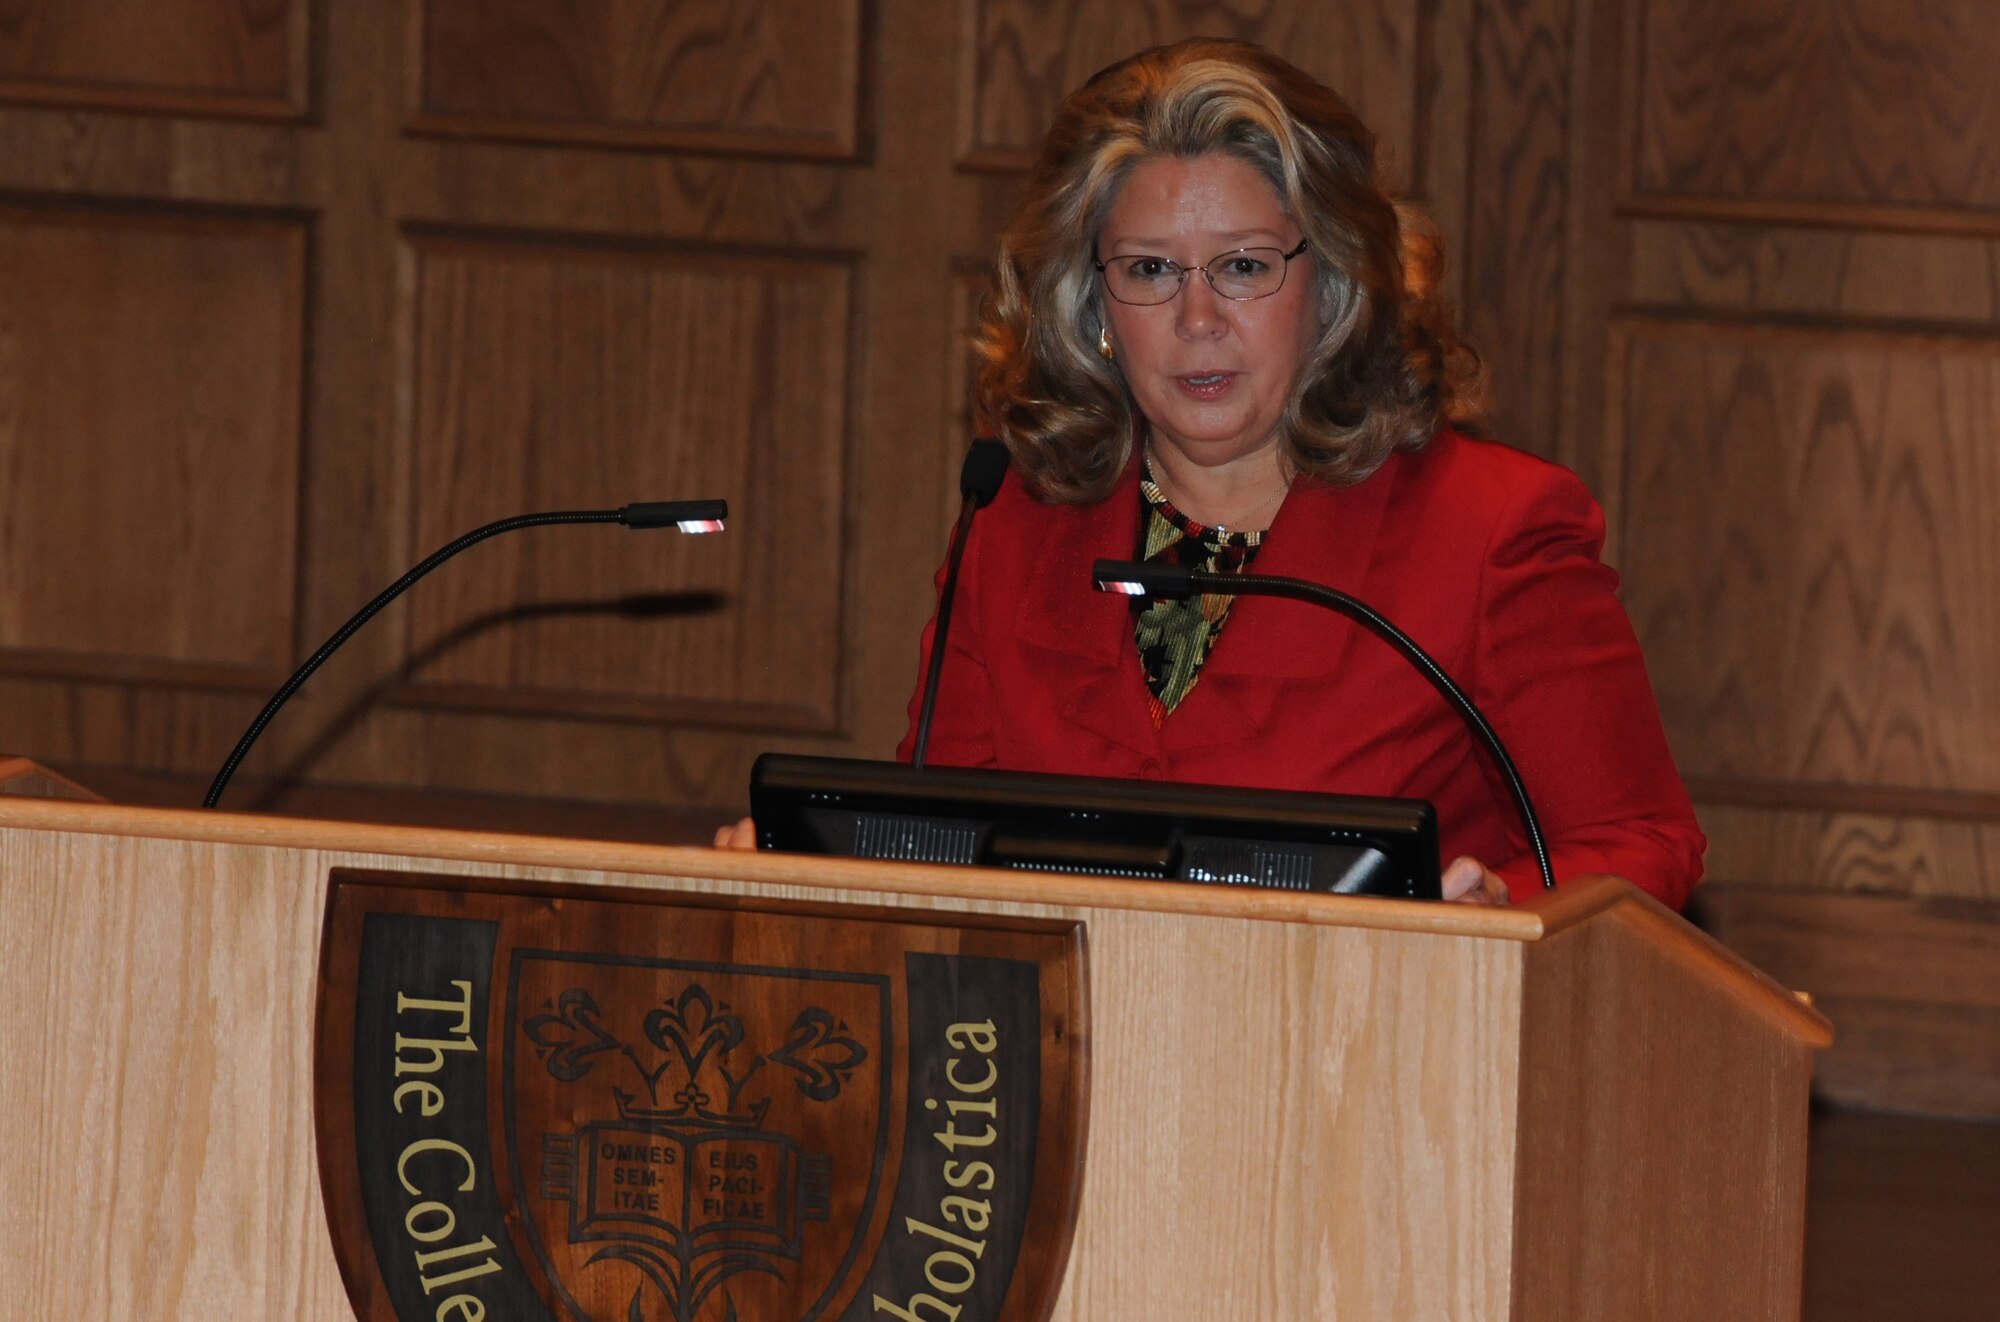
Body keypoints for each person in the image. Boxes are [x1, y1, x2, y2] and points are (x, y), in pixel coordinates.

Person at [729, 38, 1705, 910]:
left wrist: (1491, 915)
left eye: (1241, 267)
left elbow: (1641, 841)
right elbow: (932, 852)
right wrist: (794, 872)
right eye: (1149, 270)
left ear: (1329, 285)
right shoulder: (1016, 521)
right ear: (1094, 303)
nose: (1196, 319)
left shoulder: (1490, 527)